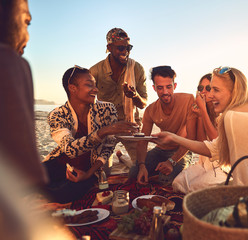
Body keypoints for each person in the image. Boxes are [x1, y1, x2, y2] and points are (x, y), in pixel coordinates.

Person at [153, 67, 248, 186]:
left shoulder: (232, 116)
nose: (210, 95)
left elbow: (243, 175)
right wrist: (173, 137)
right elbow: (214, 149)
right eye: (208, 89)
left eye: (216, 90)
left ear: (234, 92)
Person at [0, 1, 73, 239]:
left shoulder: (102, 110)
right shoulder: (10, 63)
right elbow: (22, 177)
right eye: (26, 22)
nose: (27, 37)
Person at [42, 66, 139, 203]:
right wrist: (104, 131)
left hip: (92, 168)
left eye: (95, 85)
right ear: (72, 88)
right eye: (89, 85)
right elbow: (70, 150)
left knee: (63, 194)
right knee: (29, 176)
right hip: (63, 163)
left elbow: (108, 148)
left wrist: (88, 173)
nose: (96, 90)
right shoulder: (57, 115)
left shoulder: (107, 109)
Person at [130, 66, 197, 185]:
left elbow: (190, 138)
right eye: (160, 88)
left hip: (182, 150)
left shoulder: (188, 100)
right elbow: (143, 141)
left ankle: (159, 173)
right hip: (160, 150)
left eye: (169, 87)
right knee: (133, 173)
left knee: (165, 180)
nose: (165, 92)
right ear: (154, 88)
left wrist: (171, 161)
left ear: (174, 86)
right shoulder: (150, 110)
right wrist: (141, 165)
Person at [90, 27, 147, 166]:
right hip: (106, 127)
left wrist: (134, 96)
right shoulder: (95, 71)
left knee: (140, 167)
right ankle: (119, 157)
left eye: (128, 48)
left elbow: (143, 104)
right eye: (120, 48)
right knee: (102, 170)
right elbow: (87, 102)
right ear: (109, 47)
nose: (125, 52)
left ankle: (122, 158)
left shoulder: (137, 68)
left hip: (130, 125)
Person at [172, 74, 227, 193]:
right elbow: (203, 143)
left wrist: (203, 112)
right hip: (204, 164)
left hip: (223, 167)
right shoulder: (202, 109)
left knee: (193, 189)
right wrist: (201, 116)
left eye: (208, 88)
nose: (204, 91)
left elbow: (216, 142)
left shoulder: (223, 111)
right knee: (177, 184)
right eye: (200, 88)